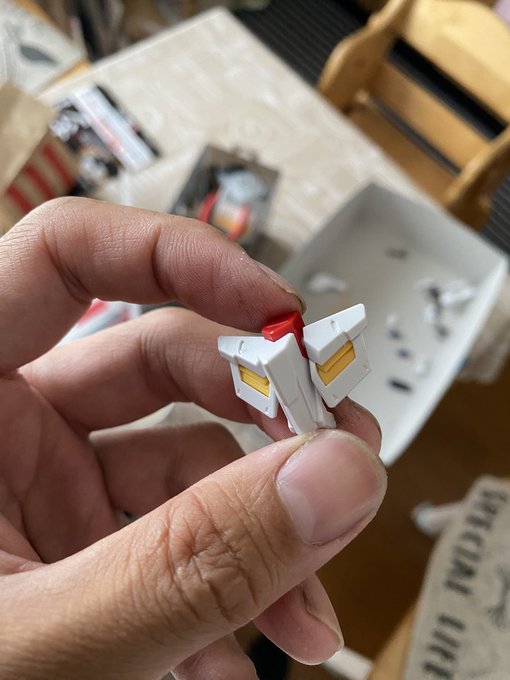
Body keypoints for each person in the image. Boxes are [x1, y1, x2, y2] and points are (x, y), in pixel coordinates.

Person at [0, 197, 386, 679]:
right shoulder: (274, 364)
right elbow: (262, 363)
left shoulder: (291, 362)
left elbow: (317, 350)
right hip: (301, 420)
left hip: (305, 417)